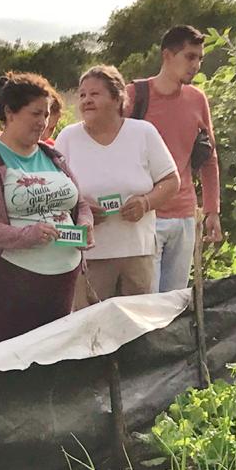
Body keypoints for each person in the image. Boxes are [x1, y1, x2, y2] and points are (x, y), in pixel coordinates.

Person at [0, 72, 93, 345]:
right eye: (35, 114)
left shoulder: (52, 156)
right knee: (17, 354)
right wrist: (24, 236)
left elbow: (79, 202)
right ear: (10, 113)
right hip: (13, 281)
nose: (43, 122)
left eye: (46, 114)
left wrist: (86, 224)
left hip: (63, 278)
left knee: (55, 352)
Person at [55, 66, 178, 309]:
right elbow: (54, 193)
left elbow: (171, 181)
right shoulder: (68, 138)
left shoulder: (142, 132)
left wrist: (145, 203)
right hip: (88, 256)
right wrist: (80, 209)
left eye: (95, 94)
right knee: (91, 325)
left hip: (137, 253)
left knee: (136, 323)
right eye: (82, 95)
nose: (86, 100)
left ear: (117, 98)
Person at [125, 25, 223, 292]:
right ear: (167, 55)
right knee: (146, 302)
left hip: (184, 216)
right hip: (145, 215)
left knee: (175, 302)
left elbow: (209, 157)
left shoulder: (197, 98)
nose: (196, 65)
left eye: (200, 58)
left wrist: (212, 210)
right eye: (190, 56)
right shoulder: (135, 95)